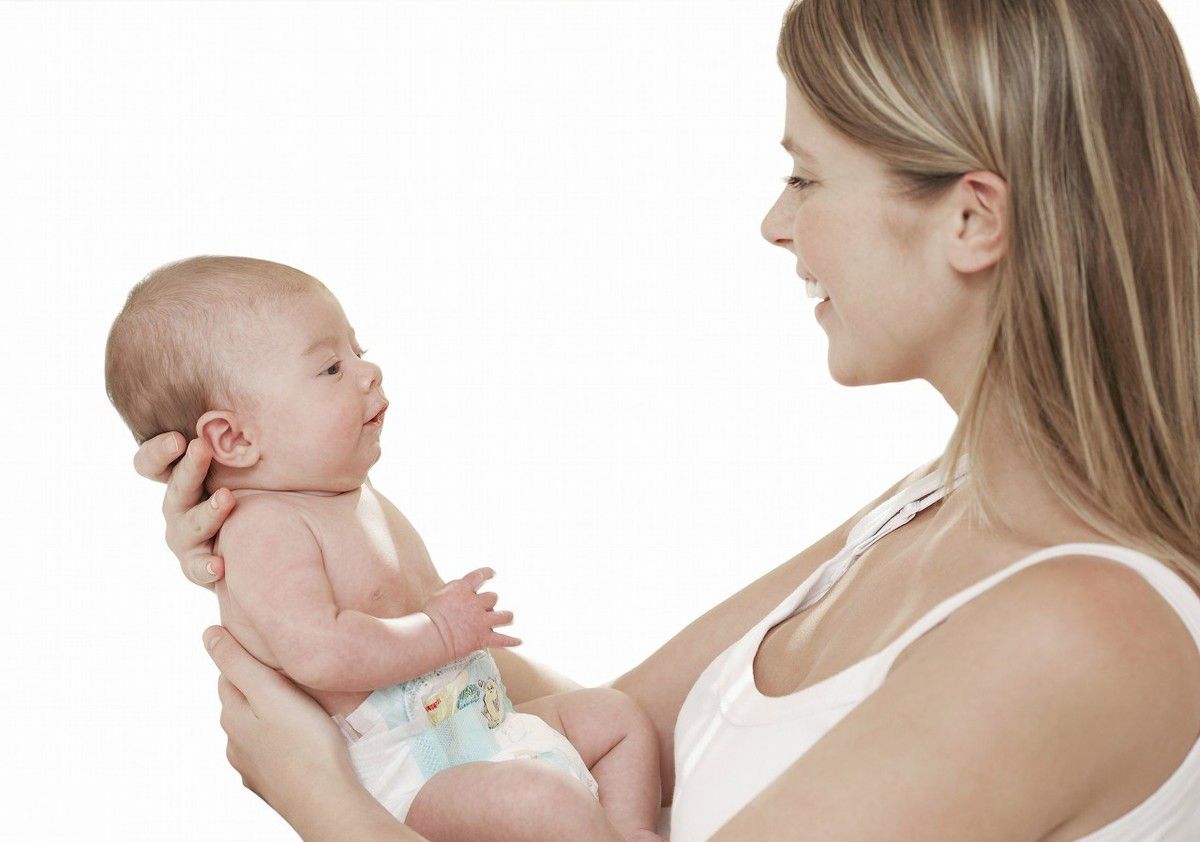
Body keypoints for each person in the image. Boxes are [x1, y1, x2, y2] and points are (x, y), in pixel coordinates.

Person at [134, 0, 1200, 837]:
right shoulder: (938, 503)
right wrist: (299, 552)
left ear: (972, 218)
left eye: (806, 173)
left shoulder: (1076, 631)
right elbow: (597, 718)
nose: (776, 223)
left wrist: (327, 804)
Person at [108, 257, 662, 841]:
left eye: (357, 350)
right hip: (413, 772)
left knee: (616, 717)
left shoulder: (338, 489)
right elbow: (319, 653)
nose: (368, 372)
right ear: (235, 438)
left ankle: (629, 831)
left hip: (483, 720)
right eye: (330, 367)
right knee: (542, 802)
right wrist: (441, 633)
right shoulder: (262, 527)